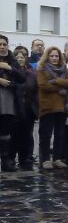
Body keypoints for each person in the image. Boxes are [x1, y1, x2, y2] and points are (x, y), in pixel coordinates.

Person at [37, 47, 68, 169]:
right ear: (47, 57)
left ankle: (57, 158)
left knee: (59, 134)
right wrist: (61, 87)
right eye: (52, 56)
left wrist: (57, 81)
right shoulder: (42, 69)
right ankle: (45, 159)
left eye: (56, 56)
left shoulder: (64, 69)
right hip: (47, 106)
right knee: (45, 135)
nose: (54, 58)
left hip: (61, 107)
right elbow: (43, 86)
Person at [0, 35, 25, 172]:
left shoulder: (12, 61)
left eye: (4, 44)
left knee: (6, 133)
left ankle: (6, 161)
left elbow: (22, 79)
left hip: (8, 101)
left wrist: (9, 68)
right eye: (0, 44)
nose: (2, 47)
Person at [11, 48, 37, 170]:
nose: (21, 59)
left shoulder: (31, 70)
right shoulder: (10, 70)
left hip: (28, 107)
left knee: (27, 134)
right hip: (14, 107)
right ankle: (11, 158)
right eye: (18, 57)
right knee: (14, 134)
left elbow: (34, 88)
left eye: (23, 56)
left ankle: (25, 157)